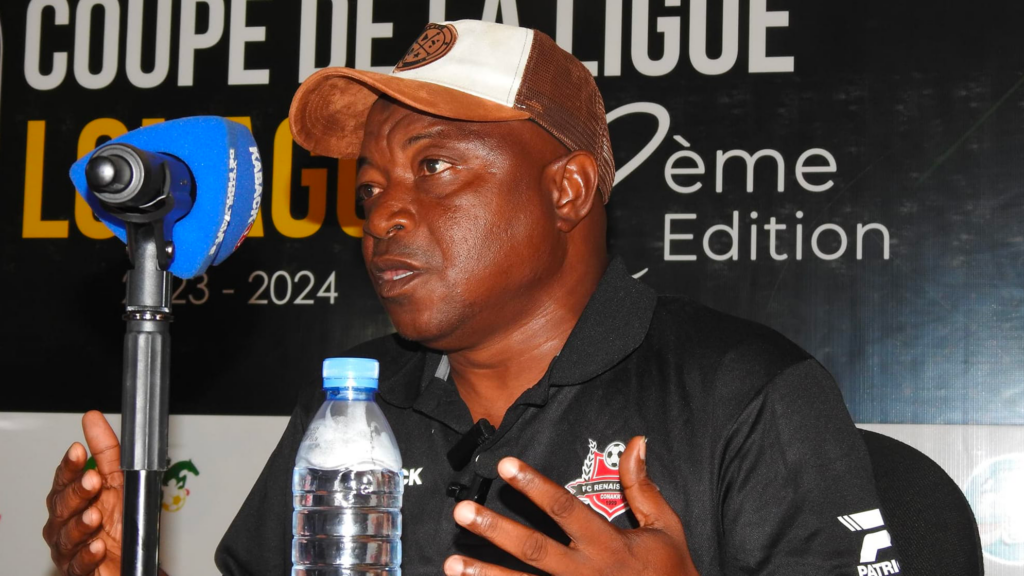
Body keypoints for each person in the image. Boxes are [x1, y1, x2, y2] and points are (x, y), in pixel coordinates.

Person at [43, 20, 900, 576]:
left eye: (433, 166)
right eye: (369, 186)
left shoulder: (745, 391)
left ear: (566, 191)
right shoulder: (351, 404)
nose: (383, 214)